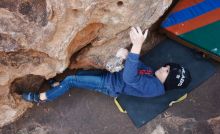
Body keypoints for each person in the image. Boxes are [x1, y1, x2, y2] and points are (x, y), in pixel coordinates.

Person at [22, 27, 191, 103]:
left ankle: (41, 98)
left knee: (71, 80)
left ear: (169, 81)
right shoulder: (154, 75)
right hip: (112, 76)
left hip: (110, 85)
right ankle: (57, 86)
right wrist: (127, 57)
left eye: (167, 70)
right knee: (79, 75)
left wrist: (137, 46)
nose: (163, 67)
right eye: (166, 66)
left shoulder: (154, 88)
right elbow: (139, 68)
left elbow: (130, 77)